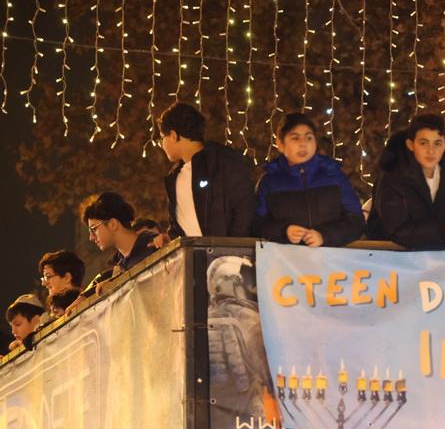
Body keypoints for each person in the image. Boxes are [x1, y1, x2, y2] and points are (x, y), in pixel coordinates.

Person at [366, 113, 445, 249]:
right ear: (411, 144)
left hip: (440, 257)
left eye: (437, 143)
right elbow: (395, 230)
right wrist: (442, 232)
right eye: (423, 143)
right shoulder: (392, 176)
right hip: (389, 257)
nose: (431, 151)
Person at [255, 113, 364, 247]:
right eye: (295, 138)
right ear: (280, 144)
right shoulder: (270, 182)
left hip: (331, 258)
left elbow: (356, 221)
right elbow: (257, 223)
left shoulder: (334, 176)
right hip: (284, 258)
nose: (303, 144)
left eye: (309, 138)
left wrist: (325, 236)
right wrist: (284, 231)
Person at [159, 102, 256, 242]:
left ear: (173, 135)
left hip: (231, 253)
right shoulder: (174, 178)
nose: (162, 144)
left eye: (162, 137)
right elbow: (182, 225)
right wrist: (170, 238)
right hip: (196, 255)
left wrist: (232, 247)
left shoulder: (222, 162)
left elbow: (244, 208)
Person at [66, 193, 159, 315]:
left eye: (94, 229)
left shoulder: (153, 245)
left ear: (113, 224)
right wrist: (85, 296)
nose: (91, 237)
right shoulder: (120, 264)